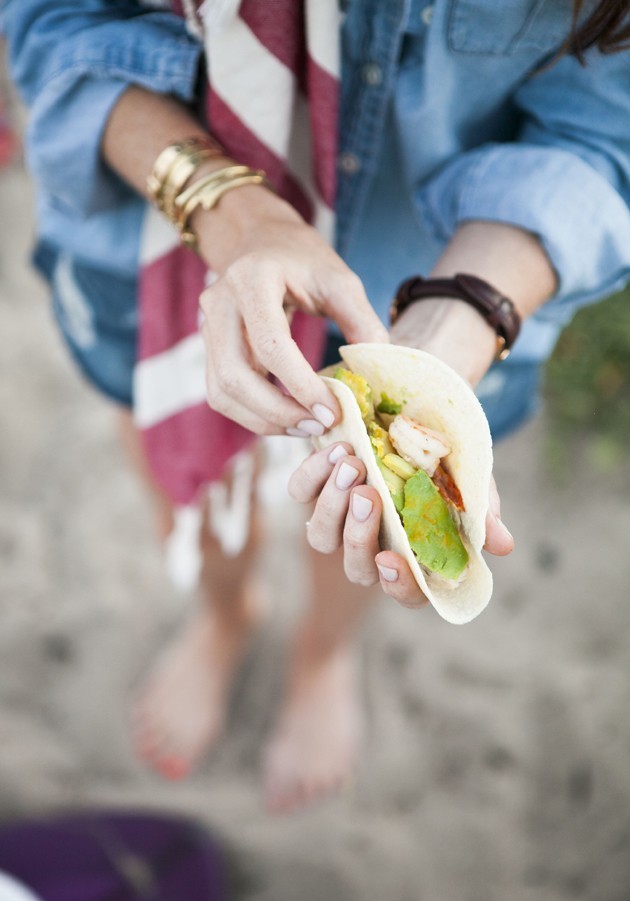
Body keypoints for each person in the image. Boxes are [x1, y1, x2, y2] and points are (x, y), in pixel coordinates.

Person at [3, 0, 630, 813]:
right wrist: (235, 213)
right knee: (181, 444)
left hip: (450, 262)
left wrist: (454, 319)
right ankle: (225, 614)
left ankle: (322, 652)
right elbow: (58, 22)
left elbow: (606, 132)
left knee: (370, 512)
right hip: (160, 243)